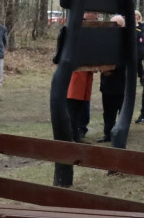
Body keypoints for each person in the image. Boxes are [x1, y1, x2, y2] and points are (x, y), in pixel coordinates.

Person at [53, 12, 97, 142]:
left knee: (80, 106)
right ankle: (71, 134)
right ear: (86, 13)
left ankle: (76, 133)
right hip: (75, 73)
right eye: (93, 13)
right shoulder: (75, 27)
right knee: (72, 105)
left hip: (86, 73)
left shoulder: (91, 28)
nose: (96, 15)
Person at [97, 15, 129, 143]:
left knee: (122, 111)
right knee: (108, 111)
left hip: (122, 82)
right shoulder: (104, 39)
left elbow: (128, 61)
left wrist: (112, 69)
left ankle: (121, 134)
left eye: (118, 25)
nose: (115, 28)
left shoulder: (127, 41)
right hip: (107, 82)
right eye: (112, 24)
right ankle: (108, 134)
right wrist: (101, 67)